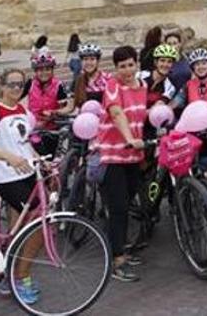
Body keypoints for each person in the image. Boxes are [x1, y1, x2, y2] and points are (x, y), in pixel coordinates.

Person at [0, 68, 43, 302]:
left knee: (17, 230)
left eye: (20, 84)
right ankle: (21, 278)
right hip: (7, 178)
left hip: (28, 174)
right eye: (12, 84)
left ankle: (8, 273)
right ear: (1, 86)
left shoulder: (23, 111)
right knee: (39, 225)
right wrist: (9, 158)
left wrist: (41, 160)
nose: (17, 88)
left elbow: (24, 144)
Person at [95, 46, 148, 283]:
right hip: (112, 155)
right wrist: (129, 139)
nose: (127, 70)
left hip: (133, 156)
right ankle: (116, 260)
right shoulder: (112, 86)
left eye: (130, 65)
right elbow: (117, 113)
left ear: (137, 64)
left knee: (126, 205)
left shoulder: (143, 86)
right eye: (122, 66)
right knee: (118, 208)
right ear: (115, 68)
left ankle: (122, 249)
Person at [22, 54, 73, 153]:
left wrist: (54, 112)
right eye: (40, 70)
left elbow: (65, 107)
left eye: (47, 69)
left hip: (52, 128)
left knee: (49, 154)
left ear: (52, 70)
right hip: (33, 126)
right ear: (35, 71)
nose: (44, 73)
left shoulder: (58, 85)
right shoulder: (30, 83)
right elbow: (15, 99)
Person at [143, 44, 180, 109]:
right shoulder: (141, 75)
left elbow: (159, 105)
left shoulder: (170, 87)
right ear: (155, 62)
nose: (165, 64)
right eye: (162, 60)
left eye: (169, 62)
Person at [71, 43, 108, 107]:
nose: (88, 62)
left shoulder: (107, 79)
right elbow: (72, 106)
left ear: (98, 61)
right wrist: (55, 111)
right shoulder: (77, 80)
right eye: (85, 59)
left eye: (92, 59)